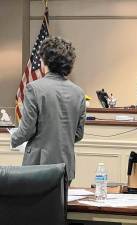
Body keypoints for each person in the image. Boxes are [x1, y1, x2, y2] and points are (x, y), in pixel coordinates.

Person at [11, 36, 86, 183]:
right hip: (66, 166)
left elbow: (27, 130)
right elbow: (78, 134)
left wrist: (13, 138)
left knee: (33, 206)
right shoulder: (78, 93)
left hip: (38, 166)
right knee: (59, 206)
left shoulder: (34, 88)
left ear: (45, 60)